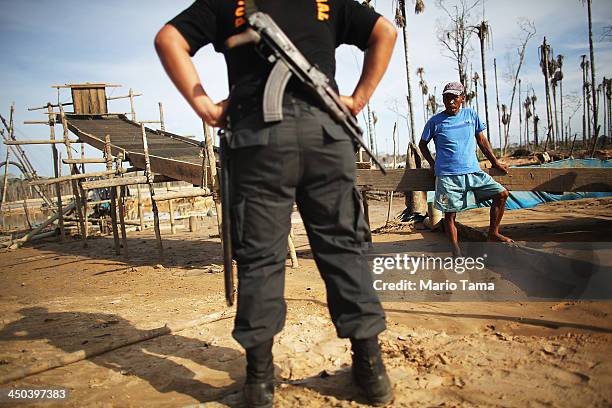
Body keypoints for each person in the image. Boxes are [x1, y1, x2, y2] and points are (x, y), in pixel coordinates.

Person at [154, 1, 397, 406]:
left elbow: (169, 39)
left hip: (257, 140)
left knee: (262, 260)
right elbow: (384, 31)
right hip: (326, 136)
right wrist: (357, 100)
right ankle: (371, 371)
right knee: (344, 250)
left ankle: (259, 382)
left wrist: (207, 107)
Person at [418, 82, 512, 257]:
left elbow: (482, 141)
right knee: (450, 215)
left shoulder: (471, 115)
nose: (451, 101)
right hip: (447, 176)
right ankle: (456, 251)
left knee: (502, 194)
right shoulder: (435, 121)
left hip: (473, 172)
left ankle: (493, 233)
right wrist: (432, 164)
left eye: (454, 97)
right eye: (447, 97)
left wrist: (495, 162)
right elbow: (422, 144)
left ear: (463, 98)